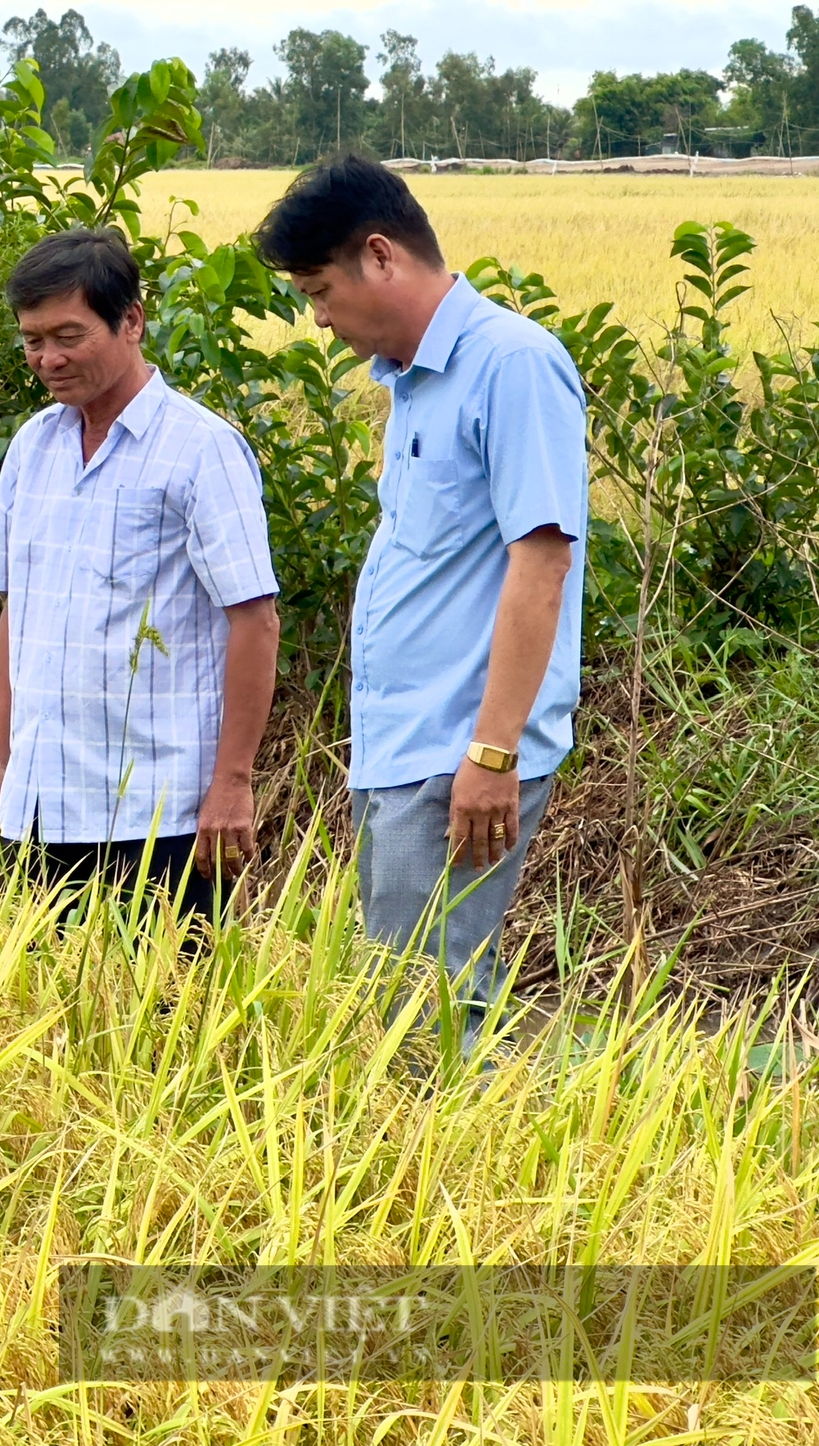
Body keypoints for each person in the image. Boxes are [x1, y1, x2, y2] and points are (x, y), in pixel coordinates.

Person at [255, 156, 587, 1052]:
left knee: (421, 1012)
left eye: (321, 291)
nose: (319, 319)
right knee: (405, 998)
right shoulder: (411, 381)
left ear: (380, 256)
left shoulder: (510, 365)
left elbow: (543, 565)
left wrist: (491, 752)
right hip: (405, 747)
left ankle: (449, 1185)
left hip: (457, 752)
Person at [0, 226, 281, 919]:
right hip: (43, 804)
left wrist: (232, 783)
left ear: (131, 320)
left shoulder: (202, 451)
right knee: (40, 1014)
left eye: (68, 336)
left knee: (169, 1017)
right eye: (32, 340)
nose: (47, 359)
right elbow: (22, 615)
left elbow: (254, 619)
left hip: (161, 811)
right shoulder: (32, 448)